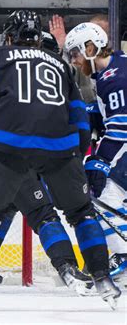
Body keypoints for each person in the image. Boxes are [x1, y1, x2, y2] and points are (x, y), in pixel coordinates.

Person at [0, 10, 120, 310]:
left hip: (7, 144)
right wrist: (76, 157)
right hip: (59, 147)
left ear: (9, 36)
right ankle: (101, 278)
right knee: (79, 213)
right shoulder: (61, 65)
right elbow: (80, 118)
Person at [65, 22, 127, 286]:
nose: (75, 61)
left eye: (76, 53)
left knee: (99, 192)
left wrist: (99, 162)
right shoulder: (114, 69)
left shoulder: (115, 77)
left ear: (90, 47)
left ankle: (124, 255)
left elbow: (121, 128)